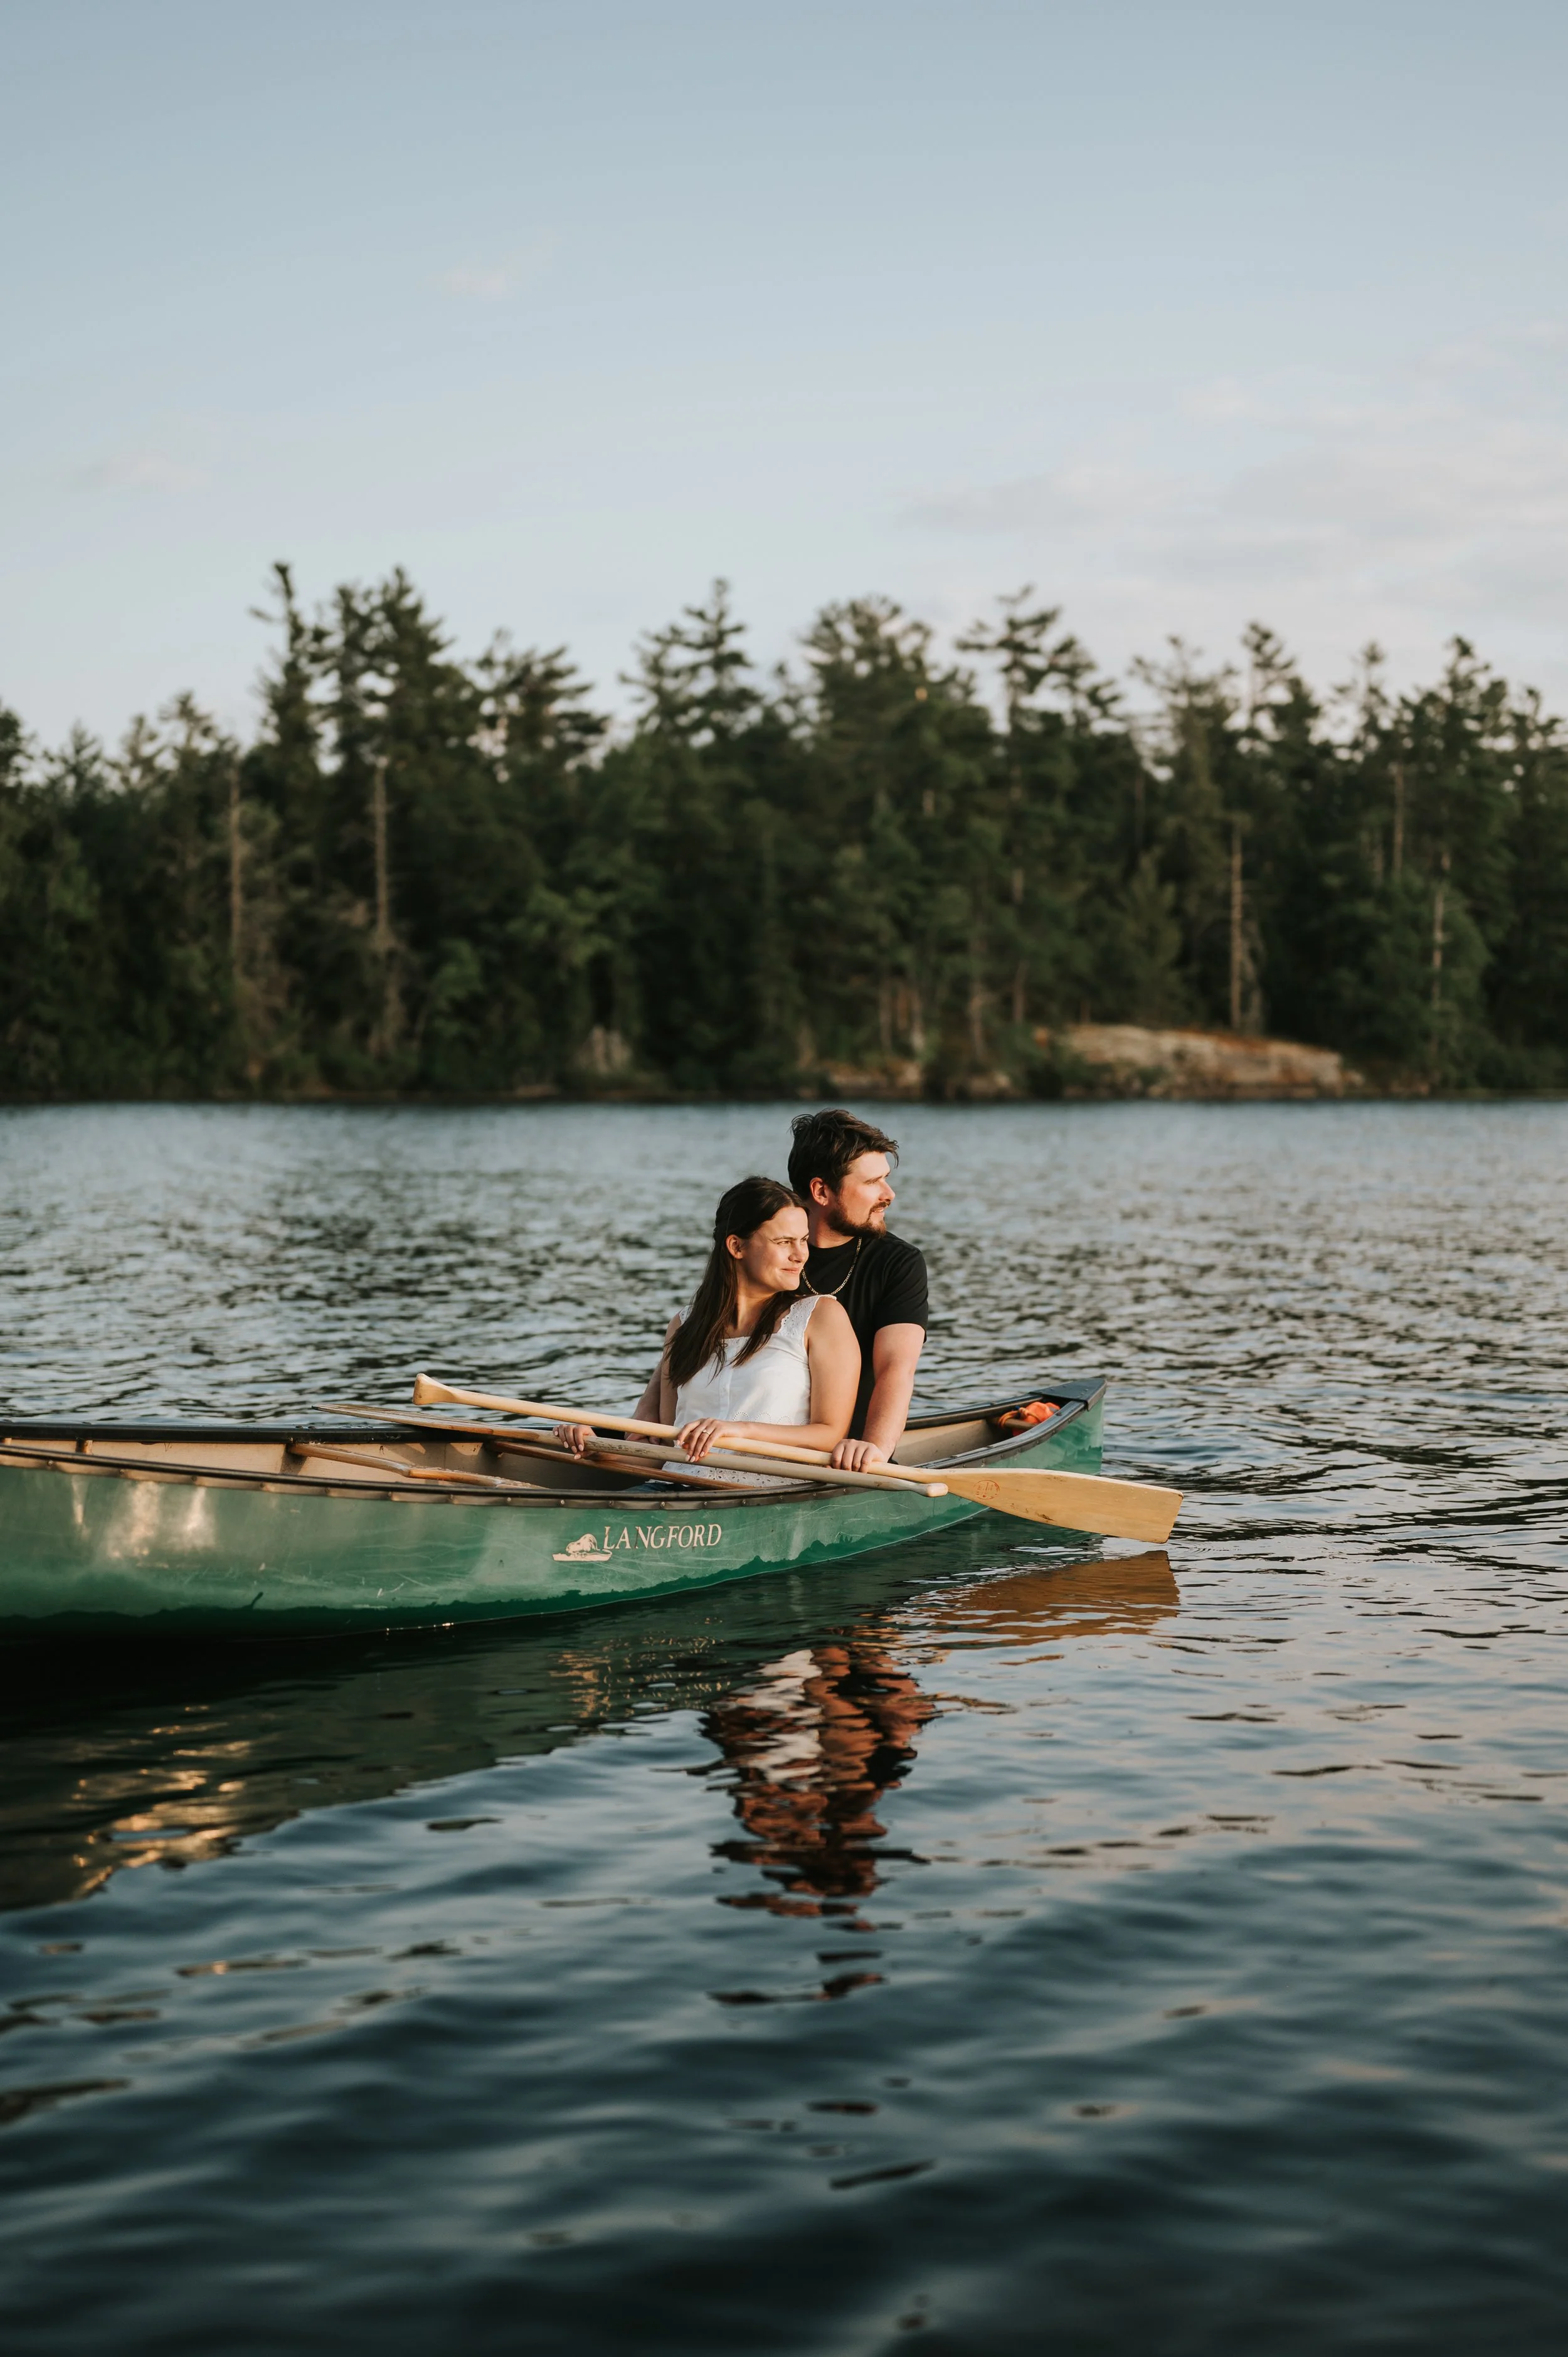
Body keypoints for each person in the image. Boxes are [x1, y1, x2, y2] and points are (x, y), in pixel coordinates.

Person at [558, 1174, 859, 1474]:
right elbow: (668, 1451)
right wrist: (595, 1449)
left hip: (771, 1491)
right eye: (784, 1242)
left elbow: (829, 1433)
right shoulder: (684, 1325)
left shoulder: (820, 1316)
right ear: (737, 1246)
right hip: (676, 1487)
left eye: (803, 1240)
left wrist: (740, 1430)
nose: (800, 1255)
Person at [787, 1108, 928, 1473]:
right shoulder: (768, 1254)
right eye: (872, 1183)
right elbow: (701, 1334)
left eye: (886, 1179)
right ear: (821, 1191)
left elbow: (896, 1368)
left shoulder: (898, 1262)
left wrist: (875, 1448)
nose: (889, 1194)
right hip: (762, 1446)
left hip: (850, 1459)